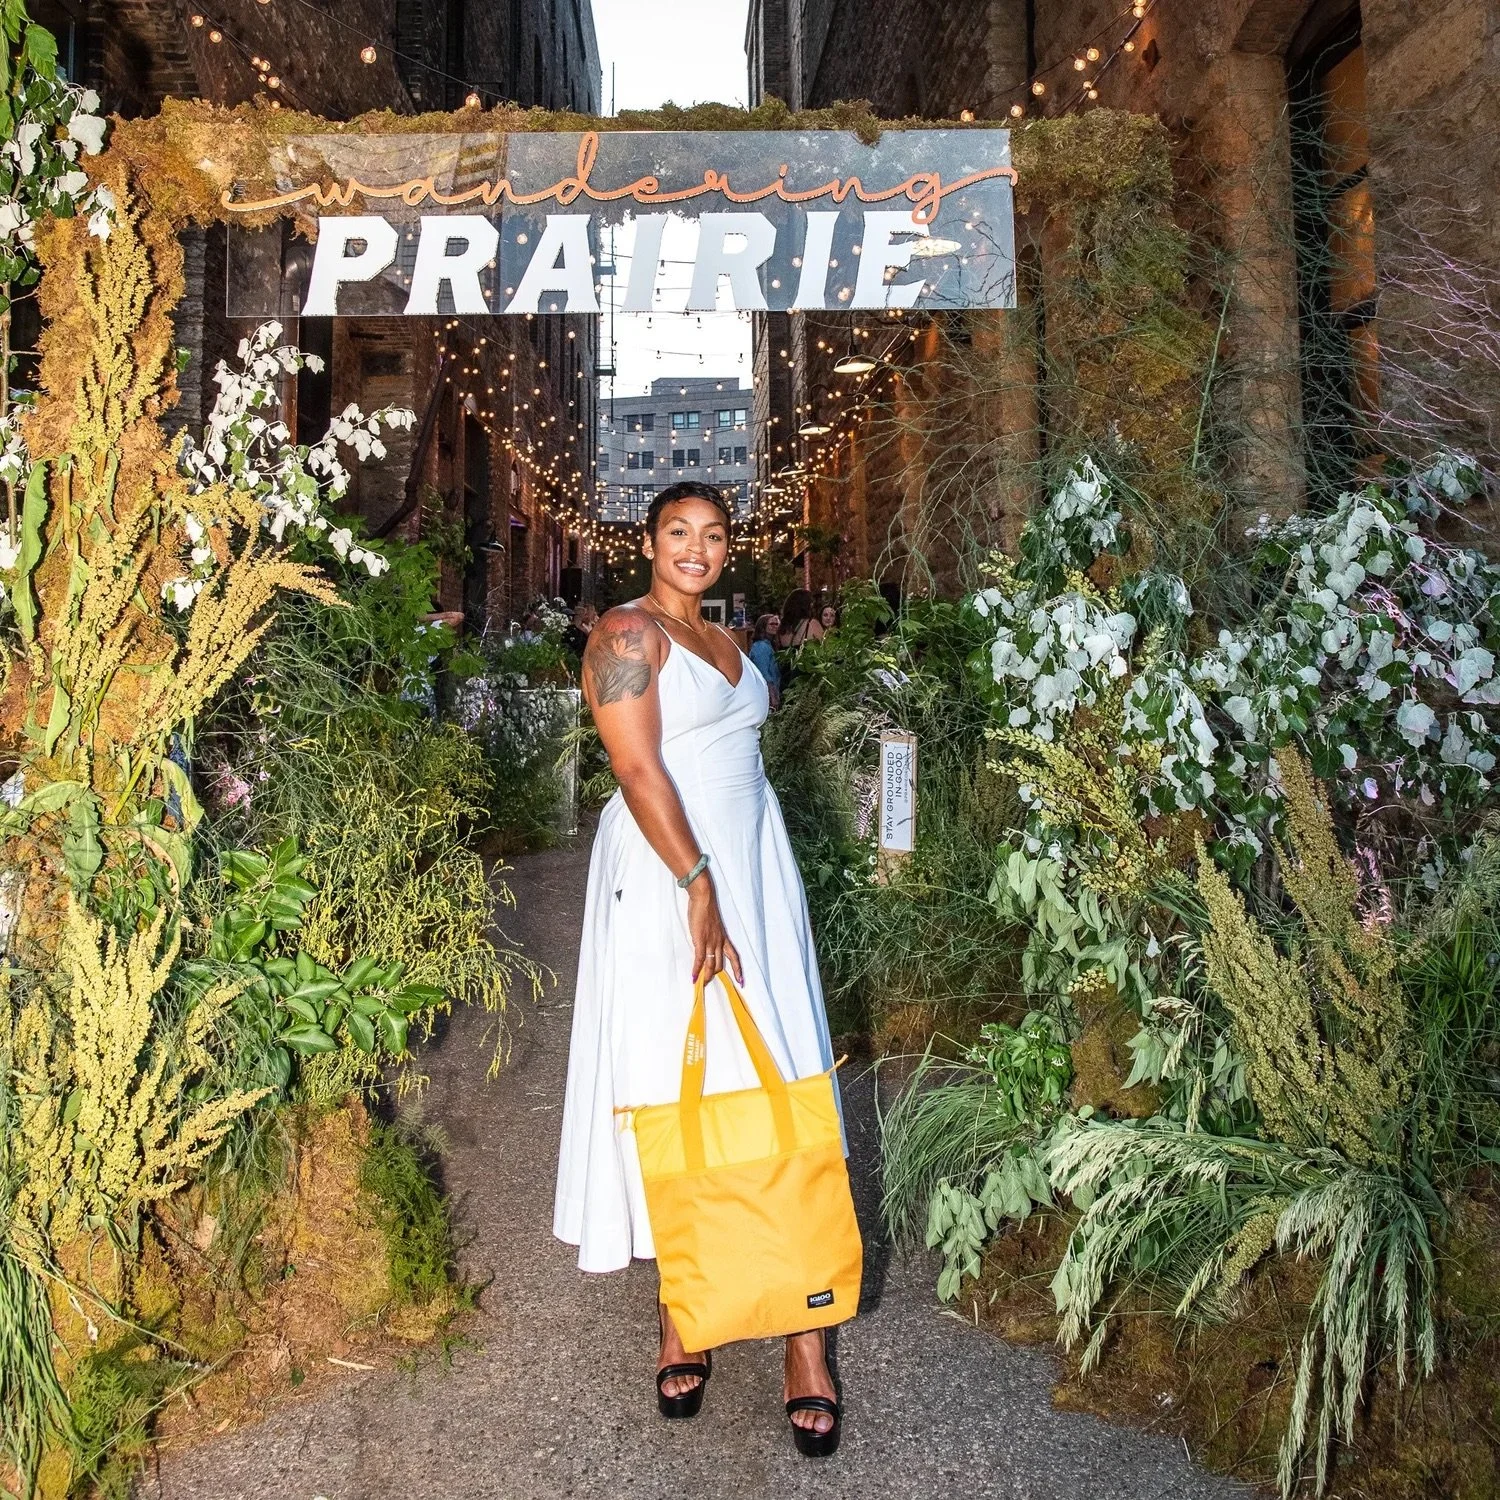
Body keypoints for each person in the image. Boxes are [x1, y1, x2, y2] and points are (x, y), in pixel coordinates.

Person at [553, 481, 844, 1455]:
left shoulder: (726, 639)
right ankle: (685, 1309)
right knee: (678, 1083)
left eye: (712, 534)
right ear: (648, 540)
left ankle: (809, 1338)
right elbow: (637, 770)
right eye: (677, 531)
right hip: (672, 871)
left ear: (727, 549)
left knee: (783, 1076)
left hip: (755, 868)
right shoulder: (626, 638)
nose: (696, 547)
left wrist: (743, 876)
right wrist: (697, 881)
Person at [748, 612, 782, 710]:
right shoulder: (761, 647)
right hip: (765, 694)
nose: (775, 626)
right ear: (763, 627)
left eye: (776, 624)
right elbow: (763, 673)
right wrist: (772, 695)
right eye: (771, 624)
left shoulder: (769, 645)